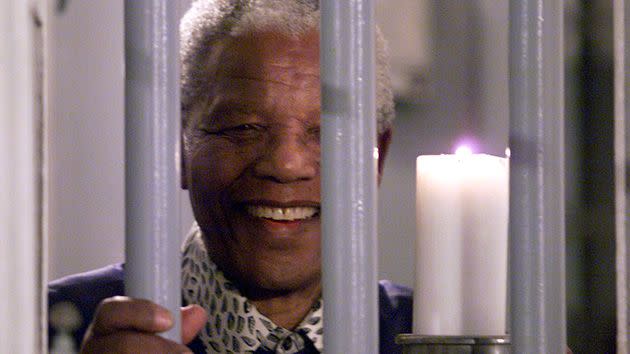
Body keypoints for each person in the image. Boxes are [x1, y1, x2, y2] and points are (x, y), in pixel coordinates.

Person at [48, 0, 412, 353]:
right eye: (243, 127)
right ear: (177, 147)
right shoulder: (55, 326)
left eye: (325, 133)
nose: (285, 164)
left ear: (376, 158)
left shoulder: (431, 334)